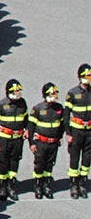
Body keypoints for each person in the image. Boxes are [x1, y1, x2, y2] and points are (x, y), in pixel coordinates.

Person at [28, 83, 67, 198]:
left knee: (49, 165)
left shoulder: (59, 108)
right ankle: (37, 185)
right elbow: (31, 127)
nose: (55, 96)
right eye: (52, 94)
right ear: (46, 95)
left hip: (53, 143)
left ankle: (46, 184)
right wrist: (32, 143)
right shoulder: (38, 109)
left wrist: (60, 137)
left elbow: (63, 125)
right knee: (39, 164)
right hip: (41, 143)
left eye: (56, 94)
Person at [0, 80, 29, 201]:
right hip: (4, 139)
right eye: (15, 92)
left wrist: (27, 129)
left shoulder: (22, 103)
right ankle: (2, 186)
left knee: (14, 161)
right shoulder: (1, 105)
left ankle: (11, 185)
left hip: (17, 139)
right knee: (3, 162)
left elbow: (26, 119)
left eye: (19, 91)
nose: (18, 94)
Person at [66, 65, 91, 199]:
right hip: (76, 131)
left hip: (89, 131)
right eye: (86, 76)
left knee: (87, 158)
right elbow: (66, 114)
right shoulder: (73, 93)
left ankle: (82, 183)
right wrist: (68, 133)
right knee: (74, 157)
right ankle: (73, 184)